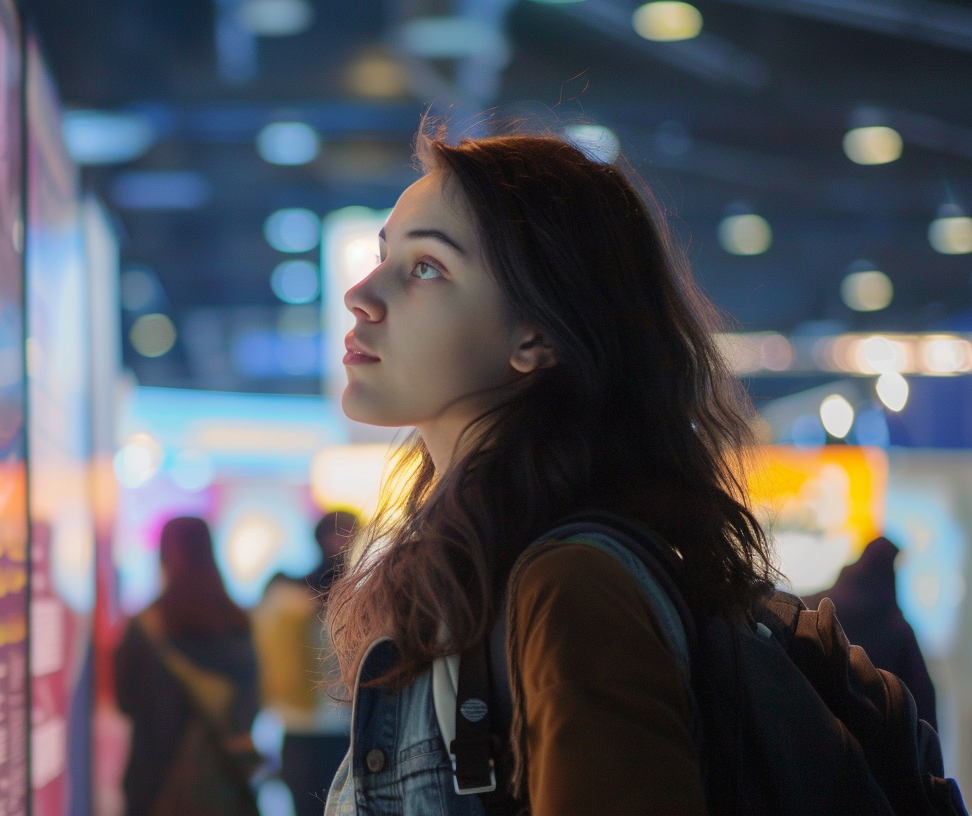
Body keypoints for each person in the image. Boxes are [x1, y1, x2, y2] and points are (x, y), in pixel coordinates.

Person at [320, 130, 779, 815]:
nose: (362, 295)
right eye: (386, 254)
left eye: (426, 268)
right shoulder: (483, 570)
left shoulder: (570, 589)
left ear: (536, 336)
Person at [115, 516, 261, 816]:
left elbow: (125, 702)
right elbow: (252, 703)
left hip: (155, 776)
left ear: (164, 555)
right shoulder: (237, 622)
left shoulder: (147, 626)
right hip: (225, 778)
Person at [253, 511, 358, 816]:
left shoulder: (361, 594)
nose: (340, 543)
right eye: (335, 533)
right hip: (301, 725)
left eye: (348, 534)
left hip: (346, 727)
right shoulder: (289, 592)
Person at [808, 535, 938, 728]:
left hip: (818, 730)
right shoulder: (897, 630)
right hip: (875, 743)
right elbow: (922, 701)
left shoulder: (818, 608)